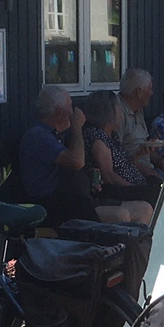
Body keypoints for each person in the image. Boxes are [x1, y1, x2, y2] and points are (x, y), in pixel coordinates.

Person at [19, 85, 98, 227]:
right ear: (60, 112)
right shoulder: (38, 135)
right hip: (46, 207)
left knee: (138, 209)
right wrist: (77, 127)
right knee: (119, 215)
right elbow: (77, 162)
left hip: (66, 201)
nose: (73, 112)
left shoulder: (56, 135)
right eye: (71, 106)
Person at [83, 90, 156, 226]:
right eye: (119, 109)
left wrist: (139, 154)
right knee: (154, 194)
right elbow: (109, 175)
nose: (122, 113)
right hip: (116, 192)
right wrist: (134, 188)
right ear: (109, 112)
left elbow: (122, 165)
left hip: (132, 183)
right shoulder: (98, 139)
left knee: (158, 184)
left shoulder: (112, 135)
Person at [119, 68, 157, 148]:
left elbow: (144, 143)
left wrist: (160, 160)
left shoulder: (138, 109)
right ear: (139, 92)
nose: (151, 93)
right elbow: (115, 150)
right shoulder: (117, 112)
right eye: (150, 88)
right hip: (131, 160)